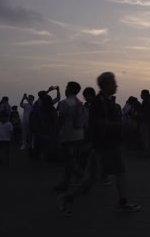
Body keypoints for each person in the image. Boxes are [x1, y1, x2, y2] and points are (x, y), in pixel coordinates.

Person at [58, 72, 141, 216]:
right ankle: (122, 203)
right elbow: (100, 123)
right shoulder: (100, 102)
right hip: (105, 146)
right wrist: (123, 125)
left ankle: (68, 198)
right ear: (104, 85)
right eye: (113, 82)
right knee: (111, 174)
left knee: (98, 177)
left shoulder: (106, 101)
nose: (116, 85)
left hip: (107, 145)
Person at [53, 81, 86, 209]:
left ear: (69, 89)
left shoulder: (65, 103)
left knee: (68, 160)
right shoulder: (79, 102)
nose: (65, 89)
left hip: (68, 136)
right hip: (79, 135)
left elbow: (61, 119)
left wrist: (55, 133)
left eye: (66, 87)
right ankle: (64, 183)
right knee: (70, 159)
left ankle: (82, 177)